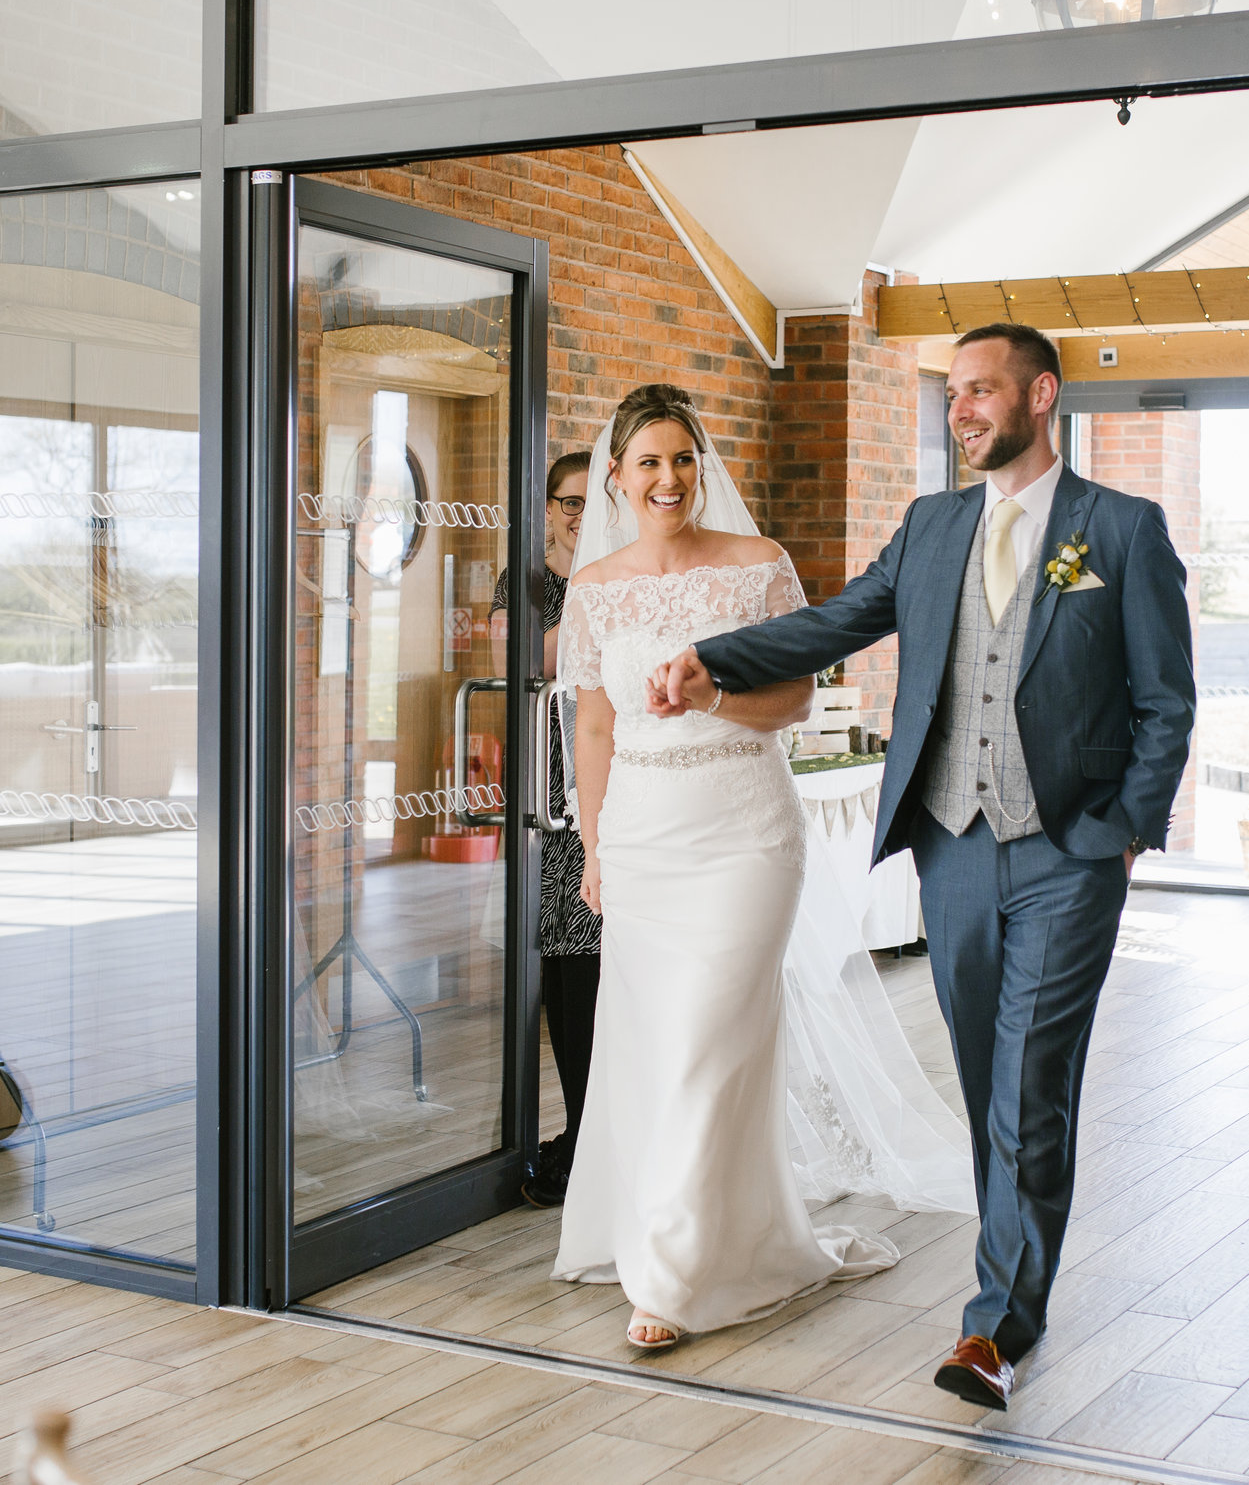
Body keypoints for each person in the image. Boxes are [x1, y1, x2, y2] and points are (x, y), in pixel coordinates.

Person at [649, 322, 1196, 1410]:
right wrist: (714, 658)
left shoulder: (1120, 528)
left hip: (1065, 852)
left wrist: (1121, 826)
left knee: (1031, 1080)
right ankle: (1014, 1283)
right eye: (953, 392)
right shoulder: (931, 524)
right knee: (991, 1083)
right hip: (949, 850)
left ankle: (992, 1327)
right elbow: (840, 621)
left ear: (1041, 396)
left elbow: (1163, 699)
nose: (961, 408)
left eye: (983, 389)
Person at [550, 384, 926, 1352]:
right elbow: (592, 725)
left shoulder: (758, 564)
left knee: (710, 1039)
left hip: (743, 832)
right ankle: (692, 1230)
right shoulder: (593, 586)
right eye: (648, 462)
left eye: (683, 458)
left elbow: (794, 703)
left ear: (700, 467)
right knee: (650, 1040)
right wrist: (593, 848)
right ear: (617, 477)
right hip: (640, 835)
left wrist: (710, 696)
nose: (668, 477)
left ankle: (673, 1276)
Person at [489, 451, 599, 1208]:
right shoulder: (526, 581)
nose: (578, 513)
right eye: (566, 500)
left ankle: (595, 1136)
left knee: (604, 973)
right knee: (561, 973)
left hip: (613, 788)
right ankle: (581, 1131)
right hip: (547, 797)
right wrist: (594, 601)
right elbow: (517, 655)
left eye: (593, 499)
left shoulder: (629, 567)